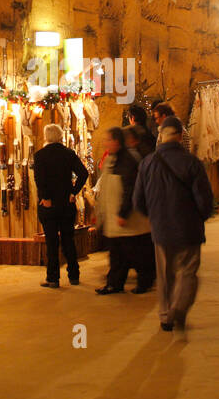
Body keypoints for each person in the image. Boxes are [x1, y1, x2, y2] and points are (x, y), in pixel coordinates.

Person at [132, 116, 214, 335]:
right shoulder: (192, 163)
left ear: (162, 136)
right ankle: (179, 308)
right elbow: (205, 200)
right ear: (179, 137)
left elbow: (138, 200)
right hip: (189, 228)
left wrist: (153, 217)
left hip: (161, 228)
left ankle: (166, 316)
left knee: (166, 275)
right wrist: (201, 217)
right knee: (188, 272)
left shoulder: (147, 163)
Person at [95, 127, 156, 295]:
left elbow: (130, 189)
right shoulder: (111, 159)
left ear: (116, 141)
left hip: (128, 219)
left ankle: (145, 281)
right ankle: (114, 283)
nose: (105, 143)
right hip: (115, 218)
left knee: (136, 253)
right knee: (117, 254)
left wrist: (123, 213)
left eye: (108, 139)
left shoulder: (128, 160)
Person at [33, 123, 89, 287]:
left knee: (51, 242)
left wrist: (45, 197)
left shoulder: (40, 155)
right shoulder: (68, 154)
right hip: (66, 202)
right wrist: (73, 192)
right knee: (68, 240)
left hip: (49, 205)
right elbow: (83, 173)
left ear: (46, 136)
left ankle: (53, 278)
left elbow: (39, 179)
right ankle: (74, 275)